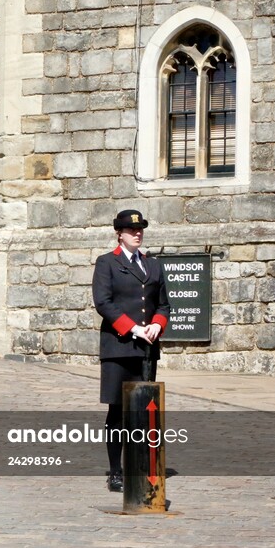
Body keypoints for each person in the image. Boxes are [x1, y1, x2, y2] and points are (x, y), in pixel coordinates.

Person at [92, 209, 171, 492]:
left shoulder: (153, 265)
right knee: (117, 412)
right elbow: (103, 302)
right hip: (118, 347)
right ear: (119, 234)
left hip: (146, 349)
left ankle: (140, 464)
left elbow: (163, 304)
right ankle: (116, 470)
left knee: (143, 411)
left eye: (139, 230)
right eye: (130, 230)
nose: (137, 234)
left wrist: (156, 326)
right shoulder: (107, 263)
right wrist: (134, 328)